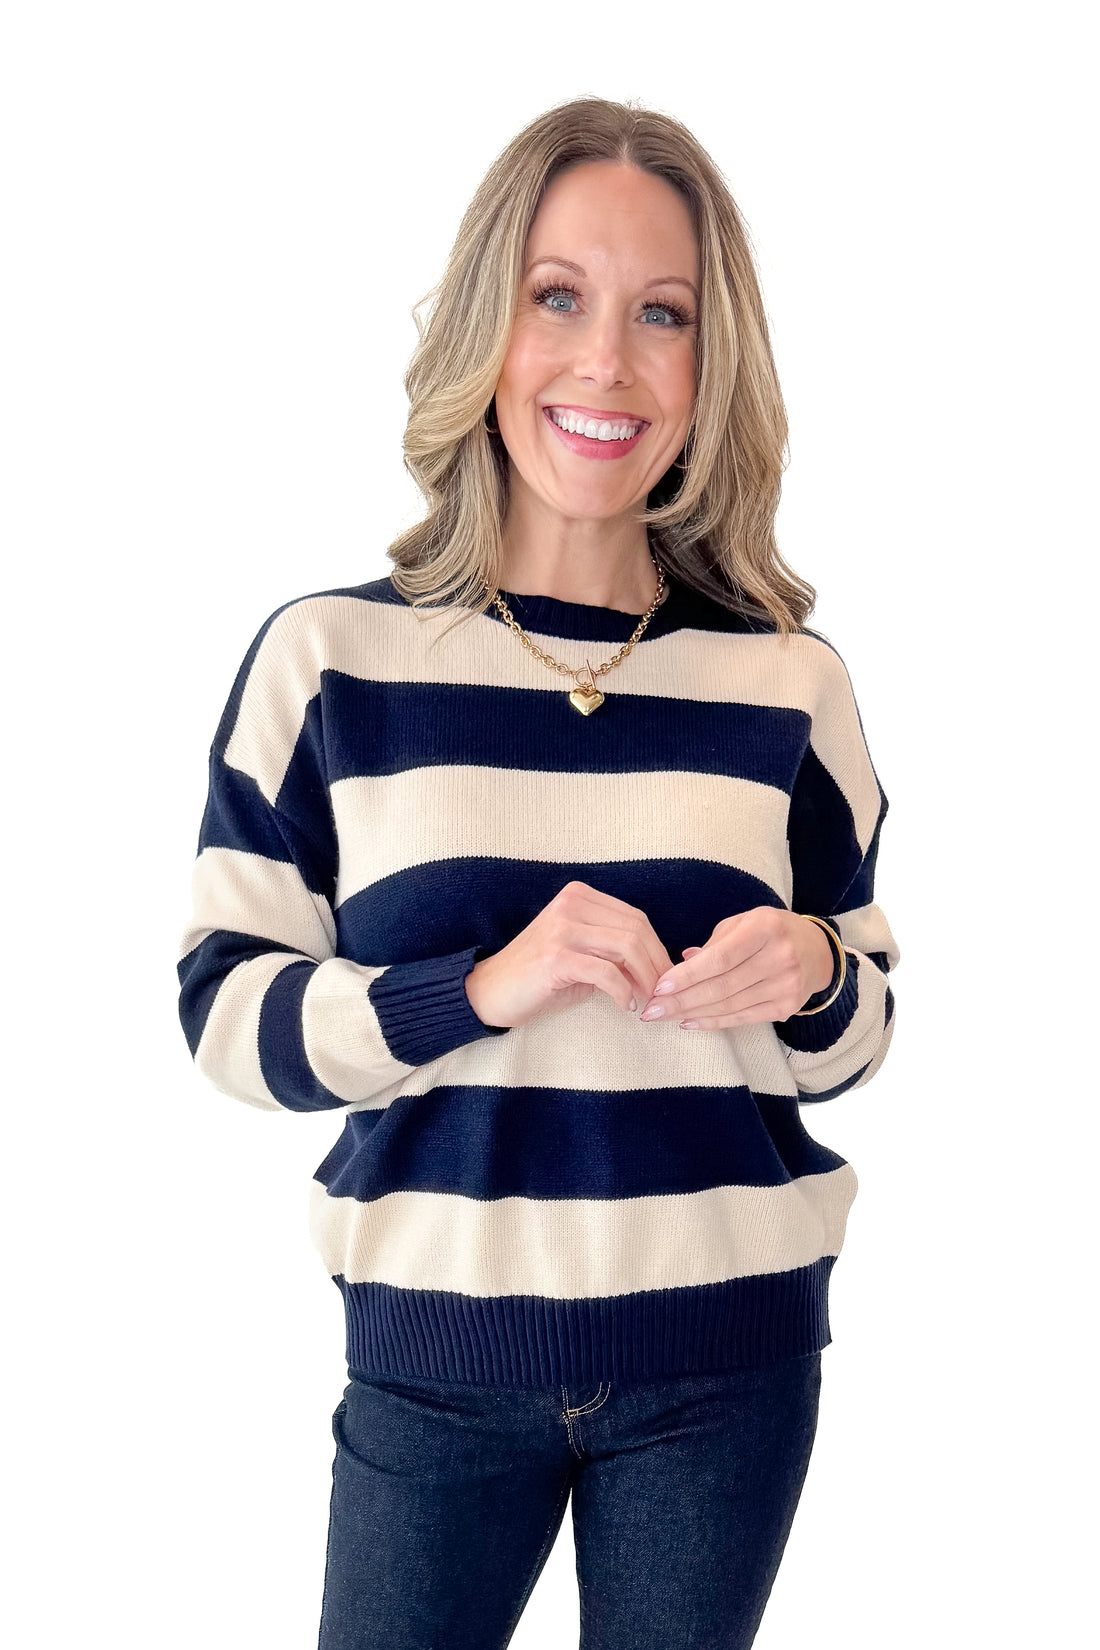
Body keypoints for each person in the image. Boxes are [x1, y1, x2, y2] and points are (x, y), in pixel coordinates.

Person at [177, 95, 899, 1650]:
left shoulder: (787, 684)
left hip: (726, 1365)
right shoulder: (330, 662)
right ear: (486, 326)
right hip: (436, 1366)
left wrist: (812, 972)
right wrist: (482, 987)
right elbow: (226, 1015)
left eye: (663, 315)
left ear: (713, 363)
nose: (607, 362)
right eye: (557, 297)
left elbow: (857, 1029)